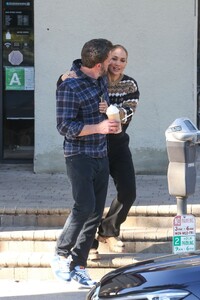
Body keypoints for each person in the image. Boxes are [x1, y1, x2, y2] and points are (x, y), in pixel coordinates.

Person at [51, 38, 120, 288]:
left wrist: (107, 108)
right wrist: (99, 126)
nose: (114, 63)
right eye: (110, 59)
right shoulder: (69, 86)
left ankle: (79, 265)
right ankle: (60, 254)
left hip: (100, 153)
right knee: (84, 206)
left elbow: (106, 96)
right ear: (100, 65)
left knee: (95, 212)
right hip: (78, 155)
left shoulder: (99, 78)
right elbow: (65, 127)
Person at [60, 44, 140, 258]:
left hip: (117, 144)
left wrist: (111, 112)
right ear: (105, 60)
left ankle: (108, 230)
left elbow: (127, 113)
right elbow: (77, 75)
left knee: (128, 192)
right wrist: (62, 76)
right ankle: (89, 242)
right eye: (114, 58)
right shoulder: (98, 78)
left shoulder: (129, 84)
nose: (117, 63)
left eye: (122, 60)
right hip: (93, 144)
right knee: (91, 201)